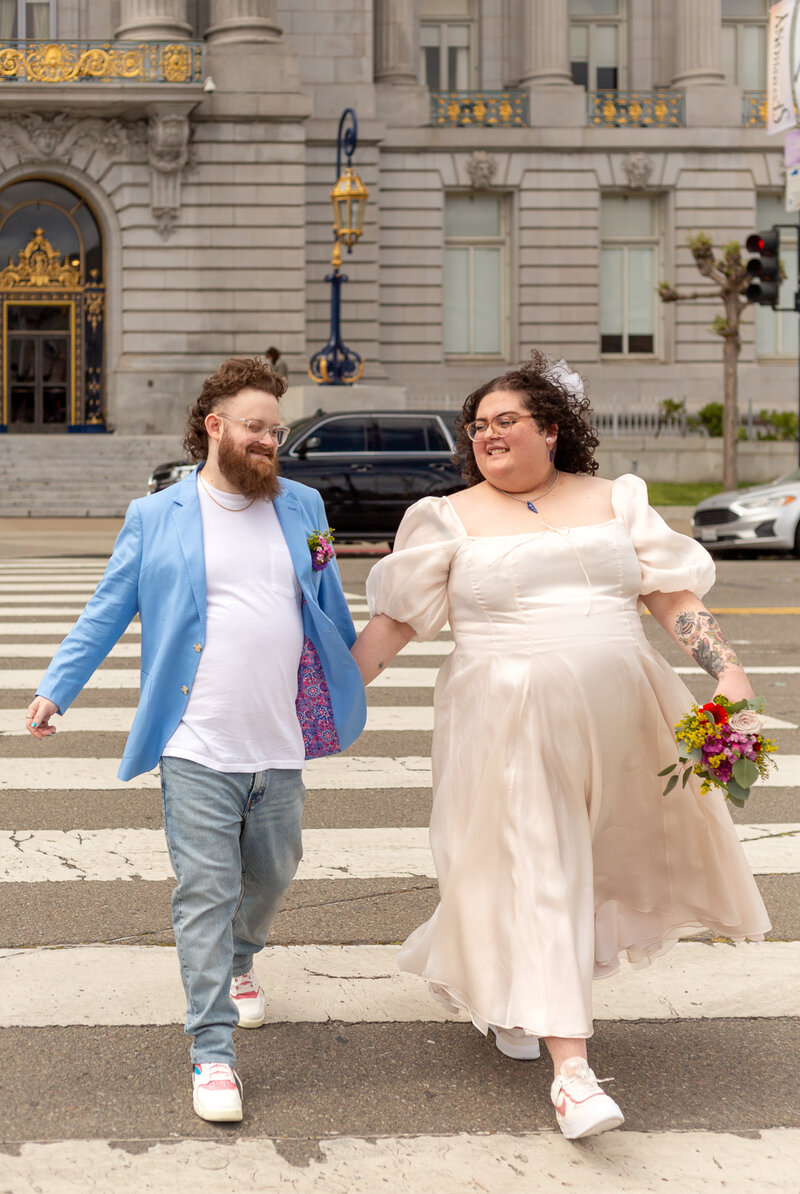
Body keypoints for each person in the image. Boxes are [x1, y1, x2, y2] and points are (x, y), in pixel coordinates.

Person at [351, 352, 770, 1141]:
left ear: (551, 428)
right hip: (506, 720)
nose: (487, 435)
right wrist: (322, 700)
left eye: (506, 420)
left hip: (625, 718)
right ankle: (573, 1075)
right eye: (477, 426)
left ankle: (502, 980)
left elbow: (671, 597)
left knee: (592, 861)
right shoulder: (450, 516)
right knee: (546, 863)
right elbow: (394, 626)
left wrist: (730, 675)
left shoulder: (618, 501)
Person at [26, 356, 366, 1124]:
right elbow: (108, 607)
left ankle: (243, 960)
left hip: (278, 739)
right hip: (194, 740)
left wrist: (354, 674)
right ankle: (212, 1050)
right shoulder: (159, 515)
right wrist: (57, 687)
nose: (269, 442)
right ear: (214, 427)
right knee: (204, 892)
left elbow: (328, 605)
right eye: (255, 428)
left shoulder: (304, 506)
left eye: (276, 430)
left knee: (274, 876)